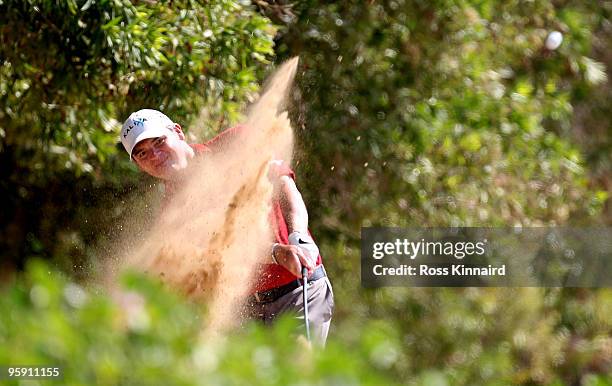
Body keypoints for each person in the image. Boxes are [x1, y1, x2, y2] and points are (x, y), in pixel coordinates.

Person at [120, 108, 334, 345]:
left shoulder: (236, 142)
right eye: (142, 153)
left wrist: (298, 234)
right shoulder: (172, 215)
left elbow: (284, 186)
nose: (155, 155)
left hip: (299, 289)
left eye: (159, 142)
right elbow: (221, 253)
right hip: (249, 310)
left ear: (178, 132)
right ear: (139, 165)